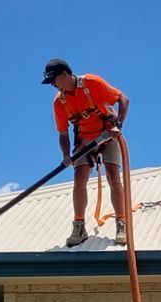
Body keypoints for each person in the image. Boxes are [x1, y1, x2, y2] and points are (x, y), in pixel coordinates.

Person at [43, 58, 130, 247]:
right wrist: (66, 155)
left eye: (54, 80)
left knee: (113, 177)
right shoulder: (59, 102)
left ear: (65, 75)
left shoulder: (92, 83)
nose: (53, 86)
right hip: (85, 141)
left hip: (108, 133)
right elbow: (63, 133)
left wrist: (118, 125)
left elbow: (123, 99)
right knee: (79, 178)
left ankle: (121, 223)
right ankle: (79, 226)